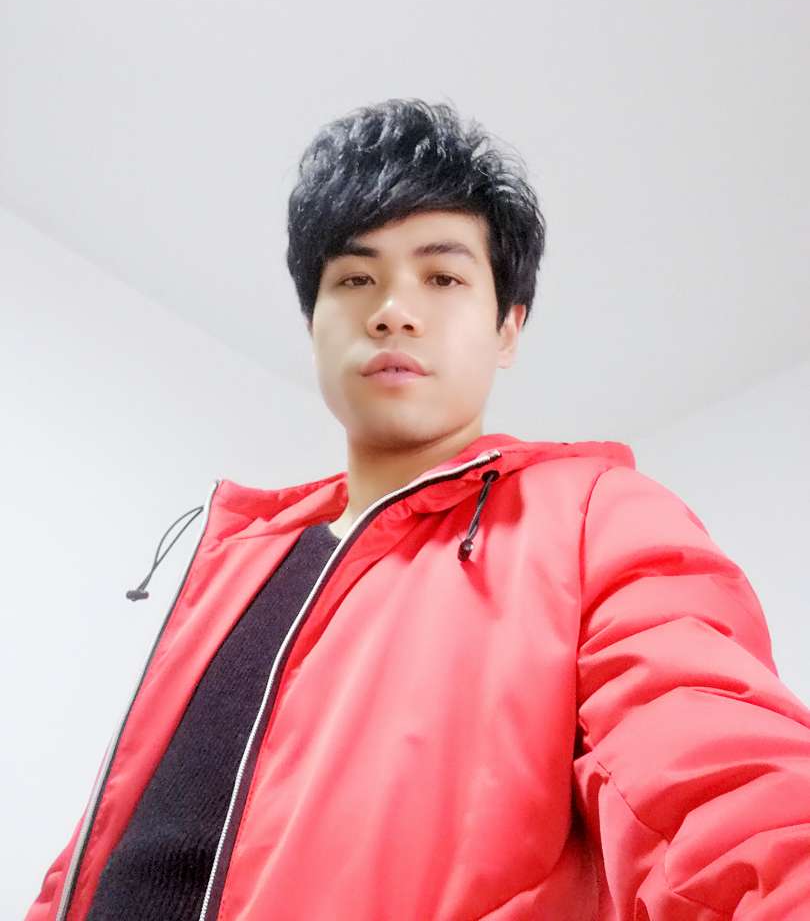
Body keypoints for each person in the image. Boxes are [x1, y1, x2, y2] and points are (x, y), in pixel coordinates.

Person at [27, 98, 810, 920]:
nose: (393, 310)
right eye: (355, 279)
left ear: (508, 330)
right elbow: (97, 849)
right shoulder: (232, 563)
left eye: (442, 278)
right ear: (314, 323)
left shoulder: (592, 517)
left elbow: (721, 773)